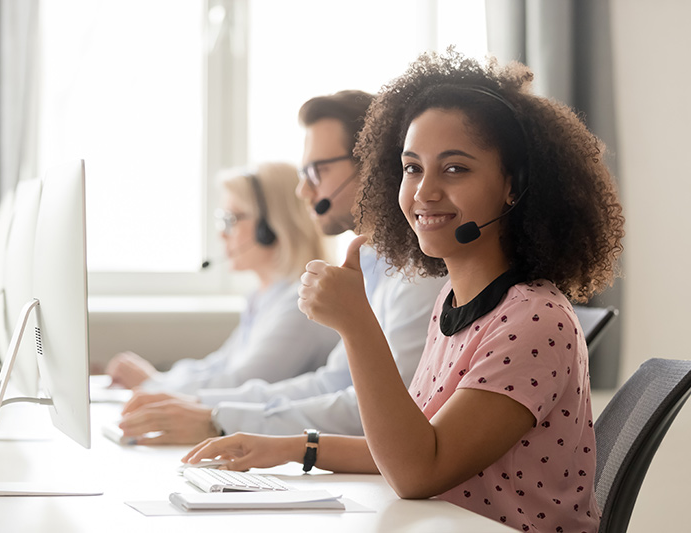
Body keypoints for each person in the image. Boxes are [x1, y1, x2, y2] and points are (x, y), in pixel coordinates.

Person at [182, 50, 624, 533]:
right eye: (412, 167)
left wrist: (356, 322)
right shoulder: (452, 303)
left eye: (455, 169)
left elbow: (419, 471)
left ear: (513, 186)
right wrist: (293, 447)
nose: (424, 191)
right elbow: (416, 442)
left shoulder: (534, 320)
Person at [115, 90, 447, 444]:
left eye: (316, 172)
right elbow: (331, 383)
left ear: (373, 167)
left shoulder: (421, 275)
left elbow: (378, 414)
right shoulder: (372, 264)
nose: (303, 191)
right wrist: (202, 408)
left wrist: (218, 420)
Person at [105, 162, 339, 396]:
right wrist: (159, 380)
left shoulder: (303, 304)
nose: (221, 233)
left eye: (231, 219)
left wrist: (151, 385)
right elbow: (218, 365)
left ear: (269, 228)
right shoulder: (264, 297)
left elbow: (240, 383)